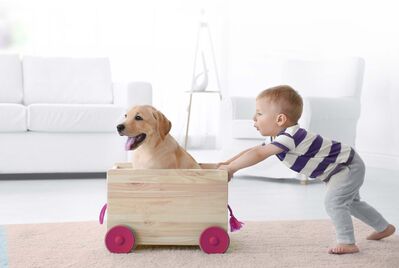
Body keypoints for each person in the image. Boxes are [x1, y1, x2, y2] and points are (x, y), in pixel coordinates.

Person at [217, 85, 396, 254]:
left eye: (259, 114)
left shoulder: (291, 136)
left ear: (280, 119)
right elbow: (251, 151)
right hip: (341, 167)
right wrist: (227, 163)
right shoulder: (277, 137)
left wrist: (232, 169)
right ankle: (384, 227)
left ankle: (347, 242)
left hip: (346, 166)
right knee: (353, 204)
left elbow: (259, 153)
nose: (254, 119)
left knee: (334, 202)